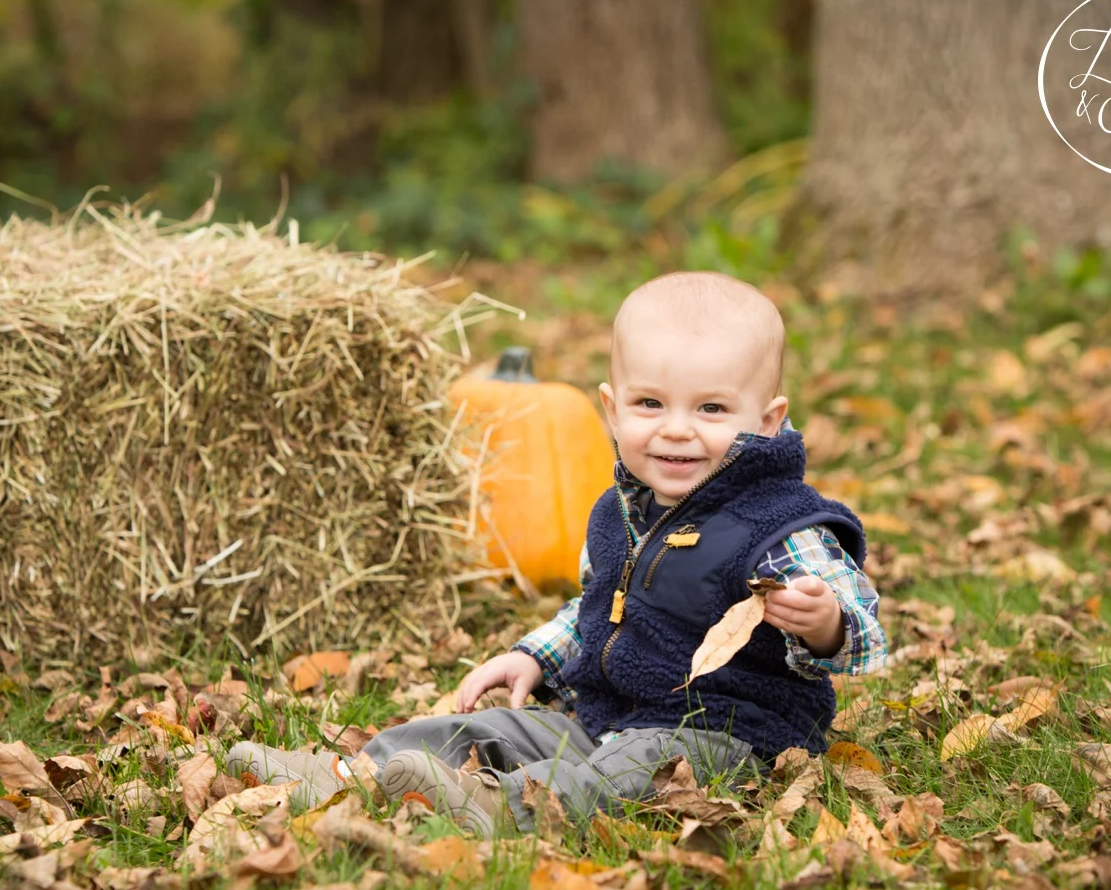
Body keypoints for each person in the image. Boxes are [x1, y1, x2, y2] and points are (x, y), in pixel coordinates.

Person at [228, 271, 885, 836]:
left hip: (728, 737)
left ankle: (499, 807)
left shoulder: (780, 525)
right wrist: (532, 656)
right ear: (611, 408)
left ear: (767, 420)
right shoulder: (619, 512)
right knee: (494, 729)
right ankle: (352, 773)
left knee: (628, 772)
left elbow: (864, 630)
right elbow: (600, 607)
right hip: (603, 718)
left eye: (712, 408)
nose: (676, 428)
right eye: (650, 403)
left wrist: (824, 623)